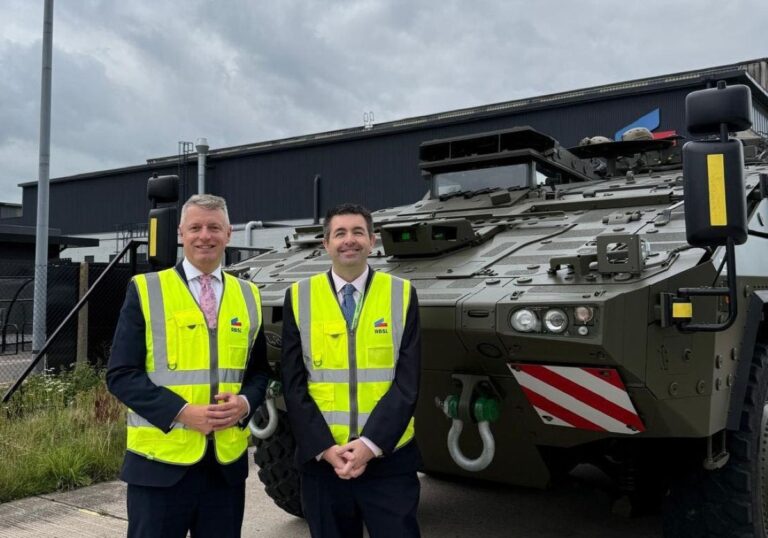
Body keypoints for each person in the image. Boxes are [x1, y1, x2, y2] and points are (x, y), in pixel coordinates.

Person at [107, 194, 271, 538]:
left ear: (228, 233)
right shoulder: (147, 290)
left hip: (225, 469)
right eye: (195, 228)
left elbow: (258, 373)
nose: (204, 236)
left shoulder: (249, 295)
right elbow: (121, 375)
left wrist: (244, 403)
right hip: (159, 467)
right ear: (181, 234)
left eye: (214, 227)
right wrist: (182, 412)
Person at [281, 203, 422, 538]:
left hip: (388, 459)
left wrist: (370, 445)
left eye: (358, 232)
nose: (349, 240)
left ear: (372, 241)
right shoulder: (299, 296)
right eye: (340, 233)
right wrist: (325, 448)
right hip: (324, 463)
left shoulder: (401, 294)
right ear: (326, 243)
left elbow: (408, 381)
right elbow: (293, 383)